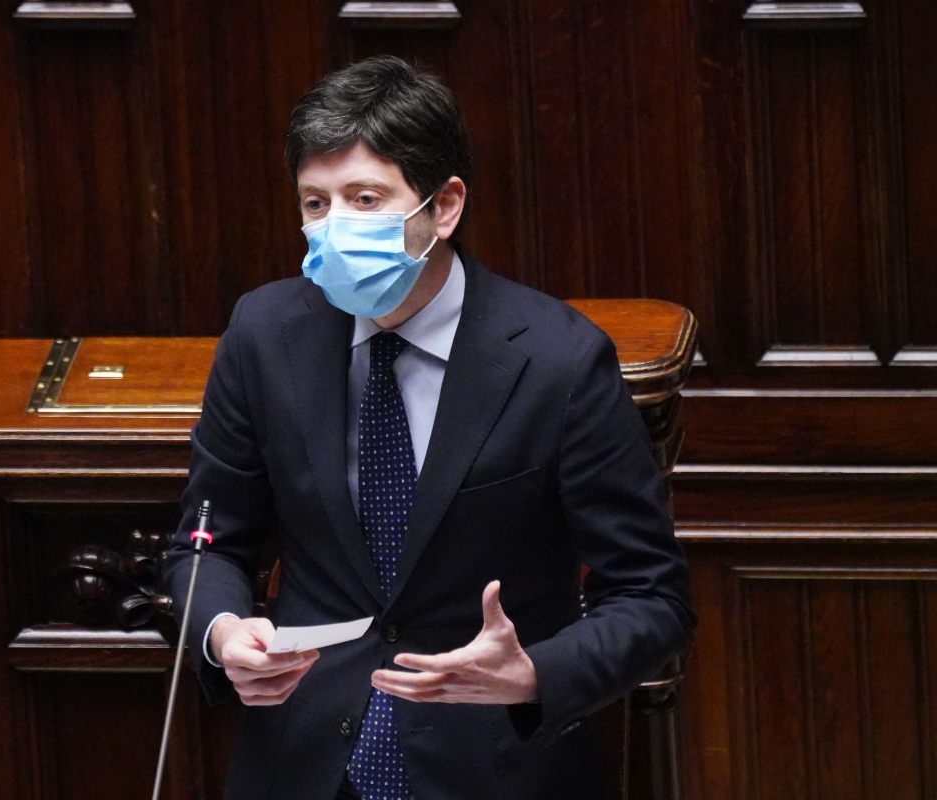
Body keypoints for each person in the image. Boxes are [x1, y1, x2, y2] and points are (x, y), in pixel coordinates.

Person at [162, 55, 695, 800]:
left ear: (443, 207)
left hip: (494, 765)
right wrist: (223, 631)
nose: (334, 227)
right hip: (303, 760)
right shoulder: (264, 334)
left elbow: (652, 595)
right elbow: (206, 540)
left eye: (365, 198)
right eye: (315, 203)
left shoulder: (559, 360)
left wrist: (534, 674)